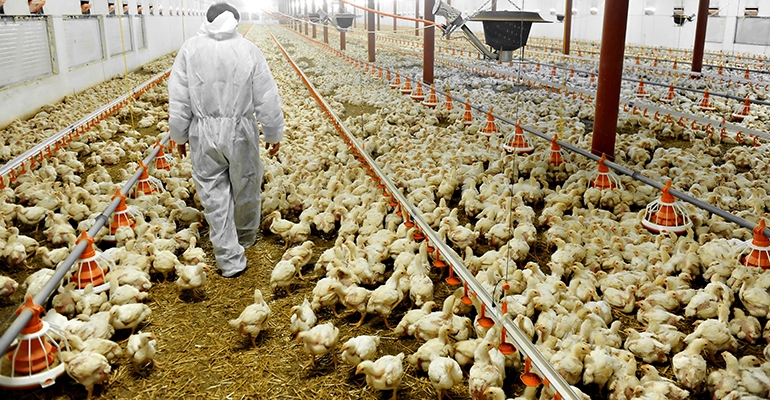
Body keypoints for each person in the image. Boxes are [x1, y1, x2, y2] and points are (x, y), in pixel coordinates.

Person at [168, 2, 284, 278]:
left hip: (203, 131)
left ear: (207, 20)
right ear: (236, 21)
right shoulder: (248, 49)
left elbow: (179, 98)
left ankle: (229, 259)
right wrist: (272, 132)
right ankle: (245, 236)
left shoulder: (190, 49)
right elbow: (266, 95)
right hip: (241, 130)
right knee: (246, 183)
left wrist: (179, 134)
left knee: (212, 193)